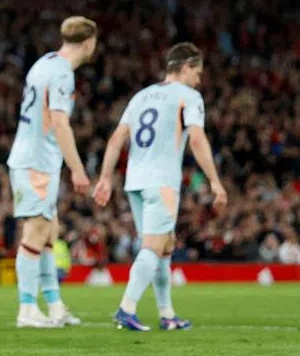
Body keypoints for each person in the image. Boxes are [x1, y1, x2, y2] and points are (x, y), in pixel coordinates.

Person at [93, 43, 227, 332]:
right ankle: (126, 309)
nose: (199, 80)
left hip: (135, 181)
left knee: (165, 244)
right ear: (186, 67)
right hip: (162, 181)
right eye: (197, 72)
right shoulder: (188, 97)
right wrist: (215, 181)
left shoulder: (141, 96)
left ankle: (167, 314)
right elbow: (197, 139)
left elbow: (116, 139)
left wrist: (105, 177)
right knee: (154, 246)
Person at [7, 17, 98, 327]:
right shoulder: (62, 74)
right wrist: (78, 169)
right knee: (36, 231)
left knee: (49, 232)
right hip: (36, 161)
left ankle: (55, 306)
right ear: (89, 42)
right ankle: (27, 309)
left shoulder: (44, 62)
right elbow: (59, 123)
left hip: (36, 158)